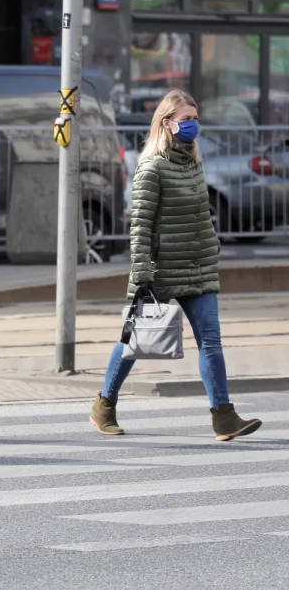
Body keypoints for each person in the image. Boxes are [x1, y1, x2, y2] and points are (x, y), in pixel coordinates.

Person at [91, 89, 262, 441]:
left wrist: (211, 243)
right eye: (186, 120)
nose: (193, 125)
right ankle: (104, 405)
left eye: (196, 118)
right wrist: (141, 273)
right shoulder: (152, 168)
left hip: (199, 266)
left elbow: (201, 214)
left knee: (211, 340)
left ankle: (224, 417)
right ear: (167, 124)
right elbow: (139, 224)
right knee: (136, 341)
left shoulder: (193, 163)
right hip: (161, 270)